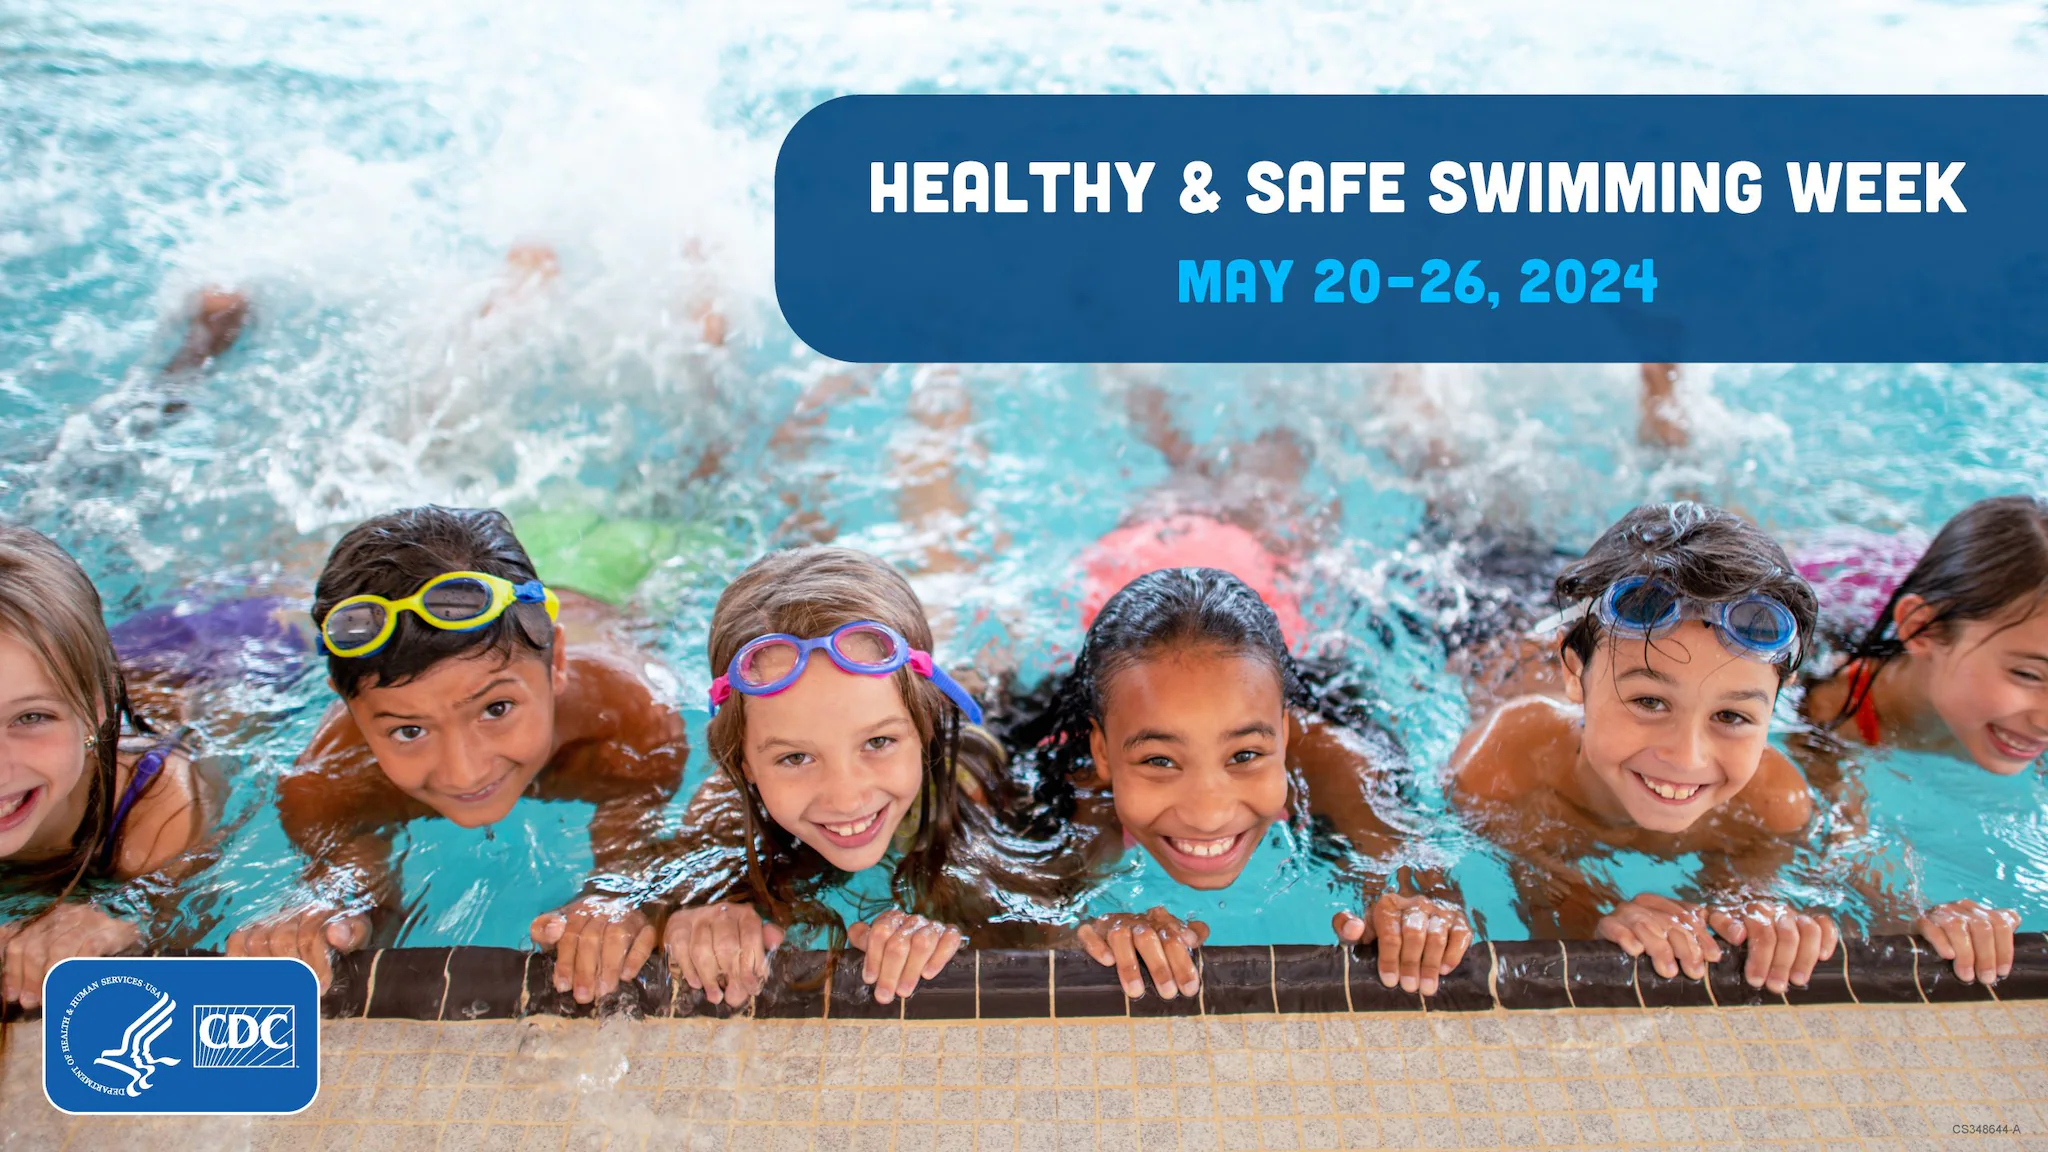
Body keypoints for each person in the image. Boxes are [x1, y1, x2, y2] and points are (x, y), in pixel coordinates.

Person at [224, 506, 687, 1004]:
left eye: (497, 708)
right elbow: (352, 871)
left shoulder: (631, 721)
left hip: (607, 570)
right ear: (352, 712)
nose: (464, 771)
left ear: (556, 665)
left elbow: (635, 851)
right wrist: (329, 908)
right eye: (407, 730)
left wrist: (616, 897)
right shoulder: (323, 780)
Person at [1019, 566, 1472, 1001]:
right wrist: (1095, 937)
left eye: (1245, 755)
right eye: (1159, 759)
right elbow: (1039, 929)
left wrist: (1415, 917)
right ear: (1102, 753)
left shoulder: (1335, 763)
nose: (1208, 814)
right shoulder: (1074, 792)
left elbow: (1416, 881)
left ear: (1286, 734)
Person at [1448, 502, 1843, 994]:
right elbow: (1541, 893)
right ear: (1574, 673)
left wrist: (1762, 918)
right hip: (1489, 609)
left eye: (1732, 716)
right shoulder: (1505, 765)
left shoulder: (1774, 805)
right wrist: (1594, 923)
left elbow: (1748, 899)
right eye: (1650, 701)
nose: (1687, 757)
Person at [659, 546, 1059, 1008]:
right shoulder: (721, 807)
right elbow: (649, 899)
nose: (846, 799)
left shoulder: (972, 783)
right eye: (794, 758)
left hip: (991, 715)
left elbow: (1037, 933)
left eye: (878, 743)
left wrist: (950, 933)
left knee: (972, 614)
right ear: (744, 763)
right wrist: (694, 917)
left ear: (925, 728)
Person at [0, 525, 219, 1010]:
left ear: (96, 712)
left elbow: (180, 944)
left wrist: (116, 922)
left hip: (211, 655)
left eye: (32, 717)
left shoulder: (157, 809)